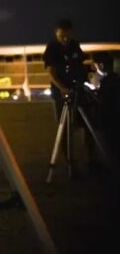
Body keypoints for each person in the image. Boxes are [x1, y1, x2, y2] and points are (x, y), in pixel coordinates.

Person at [43, 19, 96, 174]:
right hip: (62, 92)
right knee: (65, 127)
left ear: (71, 33)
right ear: (57, 33)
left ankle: (92, 160)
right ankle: (70, 164)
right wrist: (62, 88)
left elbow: (79, 64)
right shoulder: (52, 48)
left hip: (77, 89)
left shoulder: (74, 45)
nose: (65, 39)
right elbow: (51, 72)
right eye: (62, 36)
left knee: (88, 125)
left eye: (67, 36)